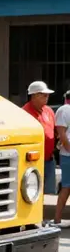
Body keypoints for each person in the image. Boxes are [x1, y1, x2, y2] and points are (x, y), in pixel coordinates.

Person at [22, 81, 57, 197]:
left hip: (49, 160)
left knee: (50, 194)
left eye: (47, 95)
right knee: (33, 194)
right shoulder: (24, 113)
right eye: (44, 95)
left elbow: (55, 130)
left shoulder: (49, 111)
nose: (47, 97)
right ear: (34, 95)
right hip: (33, 162)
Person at [54, 90, 70, 227]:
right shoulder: (64, 110)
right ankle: (57, 219)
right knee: (66, 186)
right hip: (67, 155)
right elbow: (62, 134)